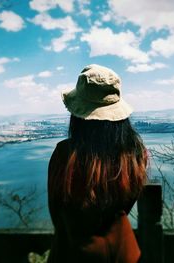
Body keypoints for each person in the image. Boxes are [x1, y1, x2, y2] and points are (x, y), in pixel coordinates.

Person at [47, 64, 148, 263]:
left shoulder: (65, 155)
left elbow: (56, 212)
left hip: (73, 253)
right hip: (123, 252)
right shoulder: (136, 153)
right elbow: (125, 207)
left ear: (78, 115)